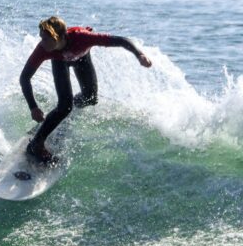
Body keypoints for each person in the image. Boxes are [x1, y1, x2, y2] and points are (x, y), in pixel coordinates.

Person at [19, 16, 152, 163]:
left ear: (59, 37)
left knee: (90, 98)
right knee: (65, 106)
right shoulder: (44, 49)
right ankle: (36, 144)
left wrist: (139, 54)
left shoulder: (82, 37)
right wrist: (33, 107)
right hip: (60, 62)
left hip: (81, 57)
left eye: (46, 39)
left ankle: (57, 116)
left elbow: (120, 40)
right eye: (41, 38)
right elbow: (24, 78)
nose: (41, 43)